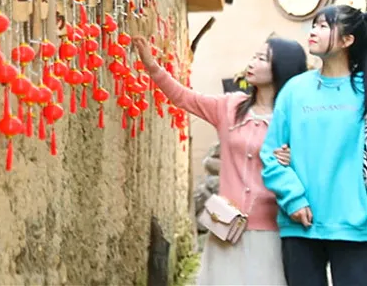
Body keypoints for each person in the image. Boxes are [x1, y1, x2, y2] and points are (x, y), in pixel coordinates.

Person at [132, 35, 307, 285]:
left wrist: (294, 159)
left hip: (270, 230)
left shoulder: (292, 119)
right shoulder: (231, 106)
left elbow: (312, 166)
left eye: (263, 58)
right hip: (225, 226)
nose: (253, 62)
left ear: (281, 68)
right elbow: (184, 98)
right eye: (254, 56)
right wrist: (152, 67)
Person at [259, 5, 367, 286]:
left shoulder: (363, 89)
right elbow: (271, 154)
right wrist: (293, 198)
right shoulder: (295, 90)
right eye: (314, 25)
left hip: (356, 225)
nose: (314, 31)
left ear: (347, 41)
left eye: (324, 26)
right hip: (300, 224)